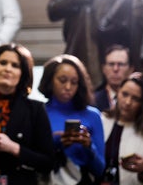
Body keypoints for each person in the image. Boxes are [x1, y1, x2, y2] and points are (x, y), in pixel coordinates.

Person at [0, 43, 55, 184]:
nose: (7, 69)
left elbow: (48, 162)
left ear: (22, 73)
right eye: (3, 63)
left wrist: (14, 148)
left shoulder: (35, 109)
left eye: (15, 65)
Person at [38, 54, 105, 184]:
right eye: (62, 80)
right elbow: (32, 160)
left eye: (74, 82)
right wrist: (54, 142)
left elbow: (100, 169)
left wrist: (88, 146)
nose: (68, 87)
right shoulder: (39, 112)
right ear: (50, 80)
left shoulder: (92, 115)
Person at [94, 45, 134, 112]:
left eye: (121, 64)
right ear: (103, 69)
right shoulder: (93, 101)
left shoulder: (139, 101)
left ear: (131, 69)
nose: (115, 69)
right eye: (111, 64)